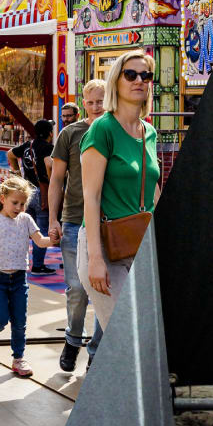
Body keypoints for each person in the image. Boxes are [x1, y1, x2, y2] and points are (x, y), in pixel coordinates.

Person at [78, 52, 160, 350]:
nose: (139, 81)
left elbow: (152, 191)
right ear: (116, 80)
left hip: (141, 245)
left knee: (147, 336)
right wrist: (95, 258)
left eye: (146, 75)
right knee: (128, 339)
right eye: (131, 74)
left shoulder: (148, 132)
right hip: (105, 246)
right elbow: (91, 195)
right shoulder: (103, 128)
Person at [48, 85, 103, 372]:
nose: (96, 107)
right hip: (74, 221)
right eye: (91, 102)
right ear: (84, 104)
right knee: (78, 289)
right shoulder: (70, 134)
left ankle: (97, 350)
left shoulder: (118, 130)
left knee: (106, 293)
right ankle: (73, 339)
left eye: (101, 101)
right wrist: (52, 219)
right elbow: (56, 179)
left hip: (110, 222)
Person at [0, 176, 46, 378]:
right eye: (15, 203)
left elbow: (40, 241)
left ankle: (18, 358)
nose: (19, 207)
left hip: (19, 279)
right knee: (0, 317)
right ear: (3, 197)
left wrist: (57, 238)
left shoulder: (25, 219)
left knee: (19, 321)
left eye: (23, 204)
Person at [12, 120, 55, 274]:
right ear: (50, 133)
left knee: (23, 228)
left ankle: (18, 261)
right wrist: (52, 181)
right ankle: (37, 265)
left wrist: (17, 173)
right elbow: (48, 164)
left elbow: (10, 154)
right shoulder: (49, 148)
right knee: (41, 231)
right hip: (41, 192)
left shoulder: (27, 145)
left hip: (26, 192)